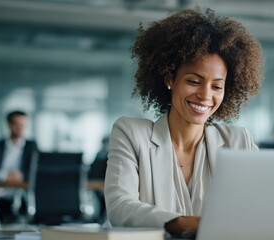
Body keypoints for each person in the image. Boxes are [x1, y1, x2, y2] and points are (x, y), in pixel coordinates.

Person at [104, 7, 264, 238]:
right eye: (194, 81)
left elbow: (260, 207)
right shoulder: (130, 133)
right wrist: (183, 223)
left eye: (217, 86)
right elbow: (120, 208)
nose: (205, 95)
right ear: (170, 77)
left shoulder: (239, 142)